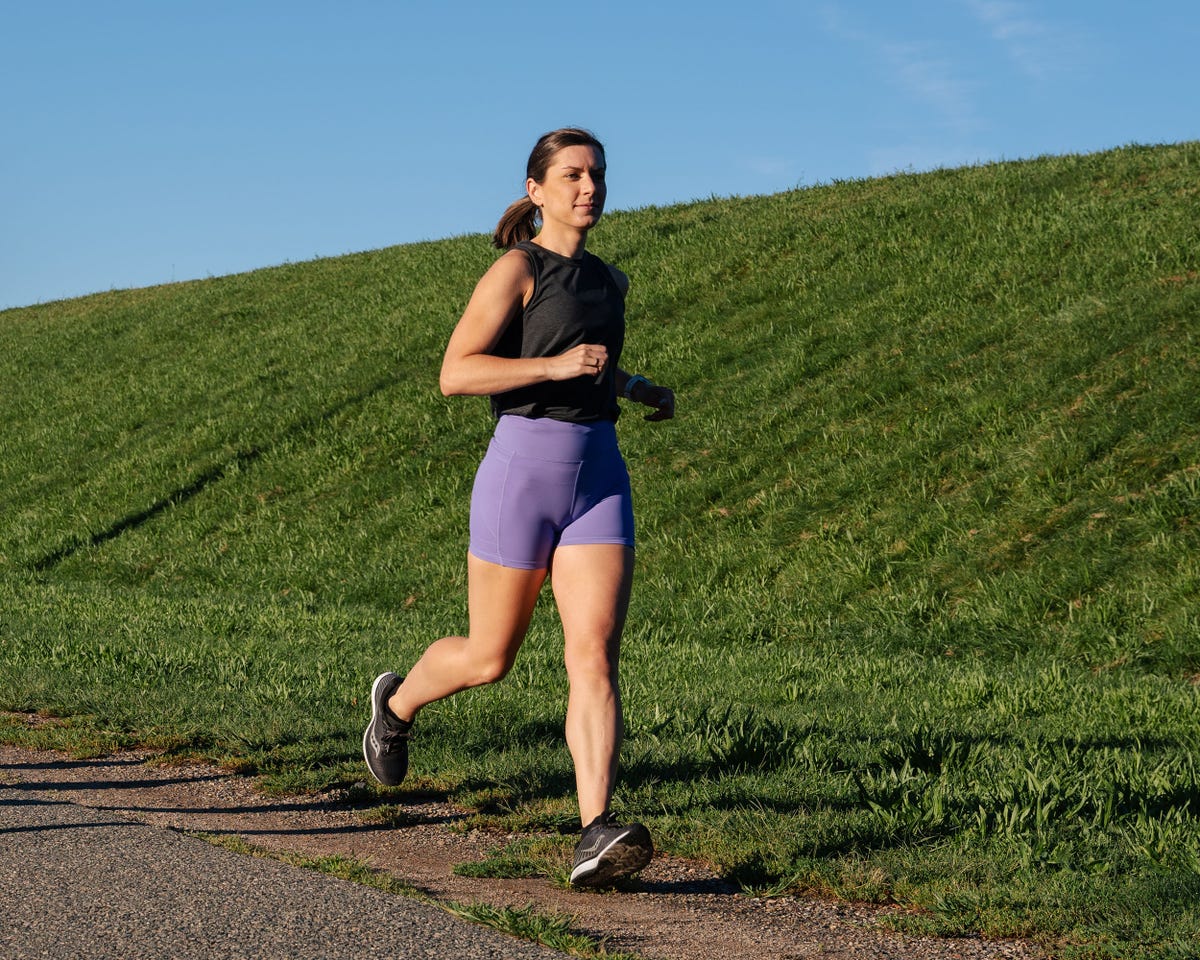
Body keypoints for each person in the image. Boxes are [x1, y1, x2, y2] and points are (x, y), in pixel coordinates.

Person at [362, 128, 675, 887]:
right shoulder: (516, 269)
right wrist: (556, 366)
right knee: (490, 657)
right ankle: (396, 706)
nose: (588, 187)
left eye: (596, 174)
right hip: (521, 470)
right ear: (537, 191)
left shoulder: (610, 280)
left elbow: (590, 354)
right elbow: (456, 372)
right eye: (571, 176)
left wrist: (634, 388)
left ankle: (594, 830)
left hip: (598, 472)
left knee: (594, 656)